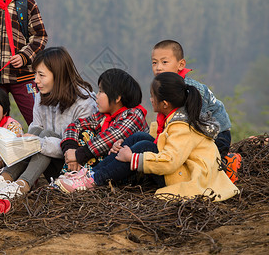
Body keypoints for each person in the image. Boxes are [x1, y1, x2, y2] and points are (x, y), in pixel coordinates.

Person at [57, 73, 239, 202]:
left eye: (152, 96)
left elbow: (170, 161)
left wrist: (133, 158)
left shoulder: (181, 127)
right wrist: (121, 147)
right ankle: (91, 173)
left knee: (144, 147)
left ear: (165, 104)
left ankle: (94, 180)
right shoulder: (173, 119)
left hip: (189, 178)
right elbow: (159, 141)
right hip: (181, 170)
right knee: (140, 138)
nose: (150, 100)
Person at [0, 47, 97, 198]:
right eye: (35, 74)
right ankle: (4, 179)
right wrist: (29, 139)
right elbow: (36, 127)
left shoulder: (84, 103)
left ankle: (22, 185)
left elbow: (80, 149)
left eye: (41, 75)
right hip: (47, 161)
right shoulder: (41, 96)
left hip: (74, 168)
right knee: (36, 132)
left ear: (58, 76)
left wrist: (39, 143)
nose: (36, 80)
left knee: (44, 136)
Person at [150, 40, 241, 179]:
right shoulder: (165, 87)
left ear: (181, 64)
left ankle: (227, 165)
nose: (158, 68)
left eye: (164, 62)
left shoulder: (189, 89)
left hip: (216, 134)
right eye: (154, 63)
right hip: (194, 131)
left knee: (198, 163)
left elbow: (195, 125)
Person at [54, 68, 148, 192]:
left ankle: (81, 182)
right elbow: (75, 125)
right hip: (105, 167)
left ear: (117, 97)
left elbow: (112, 137)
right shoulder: (102, 116)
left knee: (90, 139)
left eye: (101, 91)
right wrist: (70, 148)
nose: (96, 96)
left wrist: (78, 155)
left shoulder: (134, 114)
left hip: (126, 173)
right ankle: (73, 177)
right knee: (84, 133)